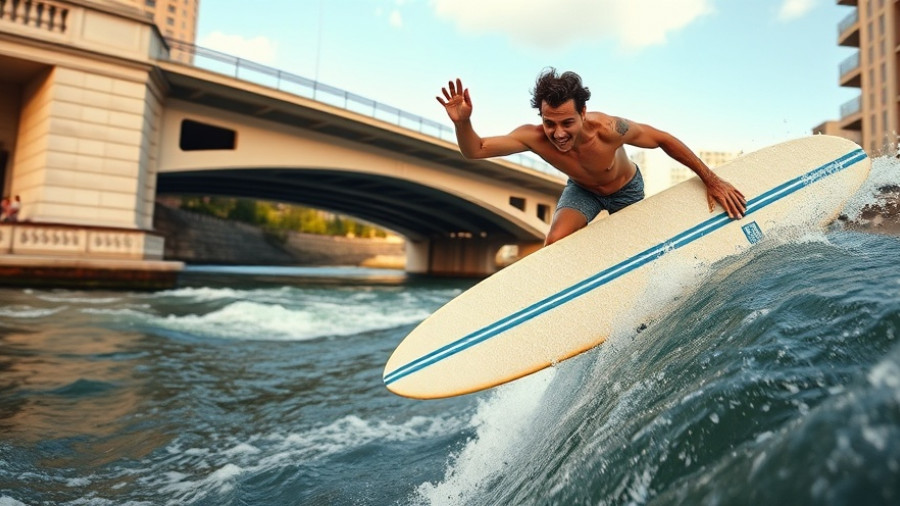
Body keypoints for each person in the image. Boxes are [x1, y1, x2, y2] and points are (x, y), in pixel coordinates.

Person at [436, 69, 746, 246]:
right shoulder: (533, 137)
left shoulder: (610, 129)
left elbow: (663, 139)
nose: (557, 133)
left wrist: (712, 180)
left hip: (625, 190)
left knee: (640, 249)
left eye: (567, 122)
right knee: (554, 242)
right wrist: (462, 123)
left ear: (582, 113)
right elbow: (474, 150)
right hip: (583, 190)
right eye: (549, 122)